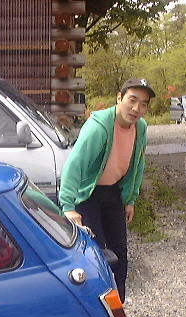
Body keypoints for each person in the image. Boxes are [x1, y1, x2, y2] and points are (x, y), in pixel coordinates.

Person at [58, 78, 155, 302]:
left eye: (143, 104)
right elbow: (75, 165)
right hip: (88, 195)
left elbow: (137, 165)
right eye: (132, 100)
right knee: (97, 256)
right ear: (119, 98)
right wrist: (68, 207)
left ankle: (118, 307)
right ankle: (100, 309)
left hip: (113, 193)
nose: (136, 108)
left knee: (120, 254)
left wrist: (130, 199)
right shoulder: (98, 127)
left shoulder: (140, 128)